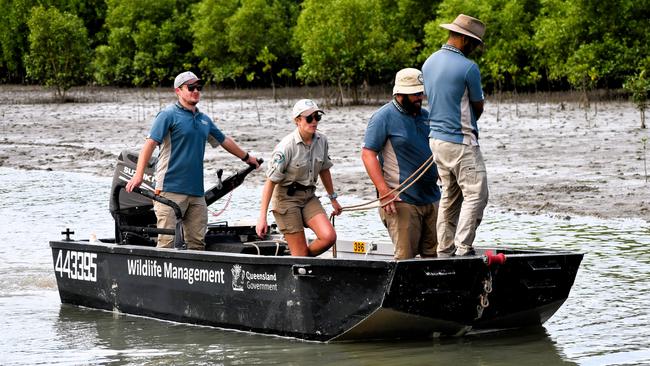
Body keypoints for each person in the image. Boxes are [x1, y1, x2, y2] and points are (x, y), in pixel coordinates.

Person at [126, 71, 260, 250]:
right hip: (169, 190)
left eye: (198, 87)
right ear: (178, 91)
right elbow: (149, 145)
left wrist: (247, 157)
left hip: (196, 193)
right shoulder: (167, 115)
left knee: (197, 244)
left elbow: (224, 140)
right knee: (166, 243)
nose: (196, 91)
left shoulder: (204, 119)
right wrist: (138, 175)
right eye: (191, 88)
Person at [421, 14, 488, 257]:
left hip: (436, 141)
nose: (475, 48)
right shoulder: (469, 67)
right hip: (461, 141)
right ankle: (463, 248)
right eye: (473, 42)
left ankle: (444, 248)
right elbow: (477, 106)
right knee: (477, 194)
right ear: (463, 38)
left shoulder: (428, 63)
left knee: (450, 194)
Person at [361, 68, 441, 260]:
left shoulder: (425, 116)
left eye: (420, 92)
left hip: (433, 198)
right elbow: (367, 155)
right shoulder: (382, 117)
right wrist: (384, 192)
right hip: (401, 201)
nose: (419, 97)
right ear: (399, 94)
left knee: (437, 256)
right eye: (414, 93)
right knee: (405, 259)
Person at [256, 99, 342, 256]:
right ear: (297, 120)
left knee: (329, 237)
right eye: (309, 118)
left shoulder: (322, 140)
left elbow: (324, 170)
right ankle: (299, 258)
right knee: (301, 257)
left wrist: (333, 198)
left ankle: (299, 258)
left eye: (317, 117)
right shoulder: (286, 147)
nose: (314, 121)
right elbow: (270, 183)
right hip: (286, 200)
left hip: (309, 197)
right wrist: (262, 217)